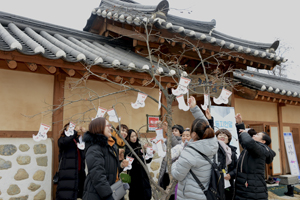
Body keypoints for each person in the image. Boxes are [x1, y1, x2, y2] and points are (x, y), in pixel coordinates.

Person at [171, 118, 218, 200]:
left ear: (193, 134)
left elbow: (178, 175)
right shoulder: (213, 145)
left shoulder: (190, 152)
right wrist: (194, 108)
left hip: (189, 196)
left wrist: (175, 163)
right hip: (204, 193)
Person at [82, 117, 129, 200]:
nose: (110, 128)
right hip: (98, 195)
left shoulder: (111, 146)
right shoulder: (94, 148)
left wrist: (120, 165)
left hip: (111, 192)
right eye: (108, 125)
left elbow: (110, 170)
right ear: (99, 127)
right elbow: (98, 176)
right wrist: (109, 196)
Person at [234, 113, 276, 200]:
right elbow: (244, 141)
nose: (253, 135)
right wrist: (240, 124)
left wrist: (245, 133)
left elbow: (247, 142)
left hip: (252, 189)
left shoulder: (261, 149)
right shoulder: (254, 147)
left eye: (257, 135)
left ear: (263, 141)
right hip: (246, 186)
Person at [56, 123, 86, 200]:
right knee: (66, 195)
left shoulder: (77, 140)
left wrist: (86, 133)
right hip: (67, 175)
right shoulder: (62, 139)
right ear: (65, 130)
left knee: (79, 195)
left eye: (73, 127)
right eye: (70, 127)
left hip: (79, 173)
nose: (72, 128)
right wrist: (74, 131)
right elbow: (65, 142)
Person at [124, 129, 152, 200]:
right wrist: (140, 151)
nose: (134, 138)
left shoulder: (140, 146)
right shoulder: (127, 148)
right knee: (135, 196)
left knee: (145, 195)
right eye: (132, 136)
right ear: (128, 138)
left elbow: (147, 160)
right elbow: (131, 156)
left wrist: (150, 154)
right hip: (134, 177)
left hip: (143, 176)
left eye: (135, 136)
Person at [215, 129, 238, 200]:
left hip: (228, 183)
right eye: (220, 135)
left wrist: (230, 175)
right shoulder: (213, 151)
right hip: (215, 182)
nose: (222, 137)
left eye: (225, 135)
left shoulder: (232, 153)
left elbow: (237, 168)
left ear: (229, 139)